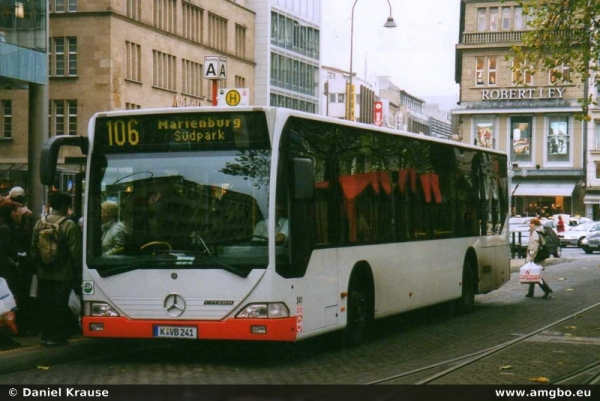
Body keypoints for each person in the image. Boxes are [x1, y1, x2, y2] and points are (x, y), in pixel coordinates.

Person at [30, 191, 82, 346]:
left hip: (43, 272)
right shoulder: (68, 224)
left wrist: (38, 267)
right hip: (63, 274)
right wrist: (77, 272)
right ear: (65, 206)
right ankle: (57, 336)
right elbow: (75, 252)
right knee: (60, 305)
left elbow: (33, 248)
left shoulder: (40, 222)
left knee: (46, 304)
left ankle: (45, 336)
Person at [6, 187, 36, 335]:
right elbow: (28, 236)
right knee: (24, 293)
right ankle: (23, 325)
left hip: (9, 258)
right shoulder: (27, 213)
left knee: (11, 291)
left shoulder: (6, 213)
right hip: (23, 258)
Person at [525, 218, 553, 299]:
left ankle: (546, 290)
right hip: (537, 256)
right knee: (532, 274)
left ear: (534, 224)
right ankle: (530, 292)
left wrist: (531, 256)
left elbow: (534, 245)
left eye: (531, 223)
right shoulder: (538, 231)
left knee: (534, 275)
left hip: (534, 257)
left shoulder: (535, 232)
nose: (530, 224)